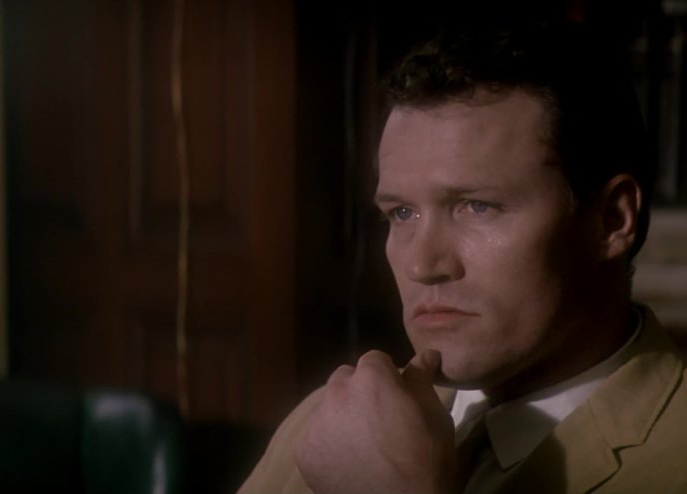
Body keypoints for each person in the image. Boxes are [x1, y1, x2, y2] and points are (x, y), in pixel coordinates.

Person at [238, 20, 687, 494]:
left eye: (477, 207)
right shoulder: (330, 427)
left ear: (611, 220)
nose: (422, 265)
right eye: (402, 213)